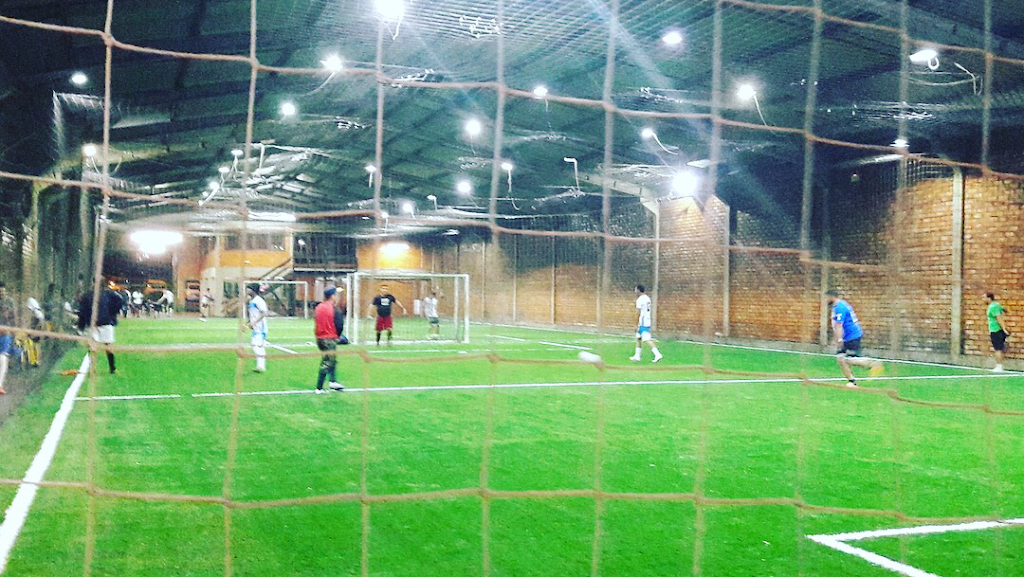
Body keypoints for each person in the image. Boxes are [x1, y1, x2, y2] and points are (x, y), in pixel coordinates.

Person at [826, 289, 883, 387]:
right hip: (847, 336)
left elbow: (839, 325)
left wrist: (839, 339)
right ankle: (852, 381)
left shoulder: (840, 307)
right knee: (841, 359)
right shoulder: (838, 306)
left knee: (849, 359)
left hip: (851, 336)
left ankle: (873, 363)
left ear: (832, 297)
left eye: (827, 297)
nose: (826, 300)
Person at [77, 287, 124, 375]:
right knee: (108, 345)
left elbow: (82, 311)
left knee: (93, 346)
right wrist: (112, 313)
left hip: (92, 323)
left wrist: (81, 325)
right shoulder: (108, 293)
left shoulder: (87, 295)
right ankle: (112, 368)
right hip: (105, 321)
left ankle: (92, 369)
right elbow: (120, 301)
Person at [313, 286, 344, 394]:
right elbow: (339, 324)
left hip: (319, 338)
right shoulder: (334, 308)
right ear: (332, 296)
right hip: (329, 338)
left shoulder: (319, 307)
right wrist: (337, 336)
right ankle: (319, 387)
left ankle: (333, 381)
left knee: (332, 360)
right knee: (327, 362)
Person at [629, 284, 662, 363]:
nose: (635, 291)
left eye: (635, 290)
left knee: (646, 339)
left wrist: (636, 324)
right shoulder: (647, 298)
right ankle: (637, 356)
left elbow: (638, 312)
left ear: (638, 290)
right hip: (647, 320)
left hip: (642, 322)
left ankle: (657, 354)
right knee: (638, 338)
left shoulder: (640, 300)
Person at [246, 283, 268, 373]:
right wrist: (248, 323)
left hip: (260, 327)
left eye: (249, 289)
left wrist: (254, 322)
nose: (247, 291)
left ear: (253, 290)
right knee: (259, 346)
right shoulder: (252, 301)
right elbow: (253, 314)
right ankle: (261, 366)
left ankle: (261, 366)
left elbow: (264, 313)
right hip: (256, 327)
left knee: (255, 345)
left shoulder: (259, 301)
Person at [985, 292, 1010, 372]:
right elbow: (1004, 310)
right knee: (1000, 348)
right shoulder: (996, 305)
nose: (983, 299)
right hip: (997, 330)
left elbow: (999, 318)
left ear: (989, 298)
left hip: (996, 330)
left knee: (997, 348)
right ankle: (1000, 364)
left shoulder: (993, 307)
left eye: (984, 298)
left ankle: (999, 366)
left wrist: (1004, 328)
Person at [0, 282, 15, 395]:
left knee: (3, 358)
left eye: (3, 292)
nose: (1, 294)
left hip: (5, 334)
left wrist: (13, 332)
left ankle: (0, 384)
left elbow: (12, 317)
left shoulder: (10, 302)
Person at [24, 297, 44, 368]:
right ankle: (33, 361)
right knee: (32, 345)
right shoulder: (36, 312)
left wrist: (35, 332)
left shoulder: (37, 313)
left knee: (36, 345)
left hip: (36, 331)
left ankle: (36, 361)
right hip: (33, 330)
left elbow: (40, 322)